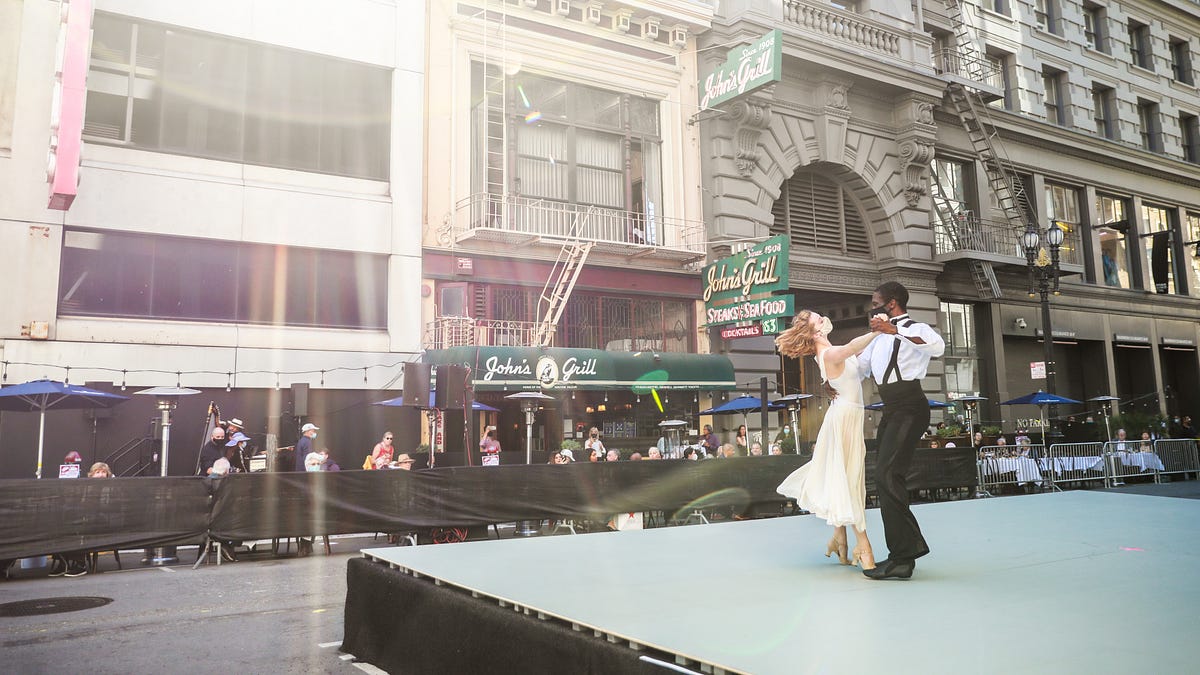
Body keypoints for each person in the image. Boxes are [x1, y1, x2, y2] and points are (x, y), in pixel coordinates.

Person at [776, 309, 881, 572]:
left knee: (844, 476)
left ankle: (840, 538)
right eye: (818, 318)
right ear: (815, 331)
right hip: (844, 419)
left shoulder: (827, 350)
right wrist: (878, 331)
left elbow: (853, 357)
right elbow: (852, 347)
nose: (824, 317)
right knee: (849, 480)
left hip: (848, 416)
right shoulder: (829, 353)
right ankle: (864, 547)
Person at [857, 281, 944, 580]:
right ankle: (902, 556)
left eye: (875, 301)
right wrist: (830, 373)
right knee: (885, 479)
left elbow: (938, 348)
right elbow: (859, 368)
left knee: (887, 476)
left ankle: (904, 556)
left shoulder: (916, 328)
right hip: (891, 408)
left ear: (891, 303)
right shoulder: (875, 339)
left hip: (911, 406)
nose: (872, 307)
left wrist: (897, 331)